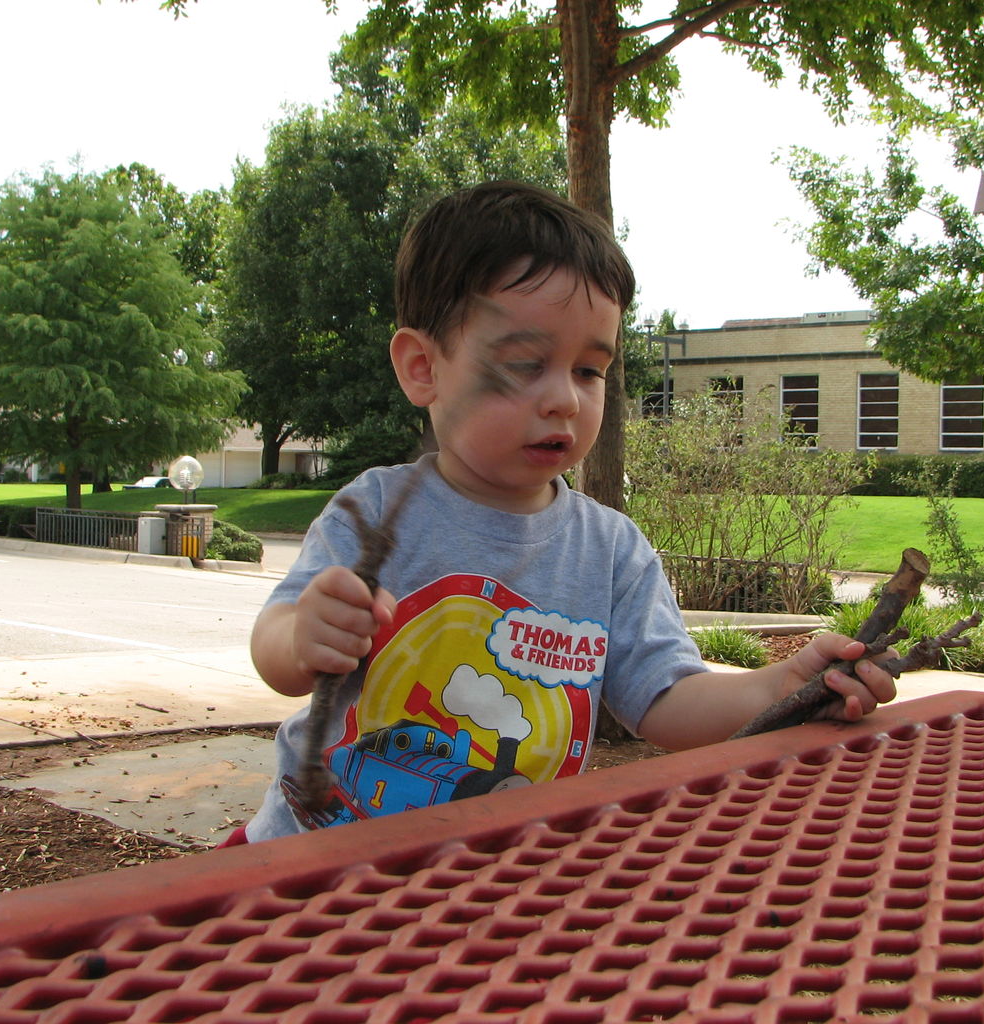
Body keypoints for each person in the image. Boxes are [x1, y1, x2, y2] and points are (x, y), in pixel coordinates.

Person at [234, 181, 896, 843]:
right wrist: (302, 637)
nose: (564, 400)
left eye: (588, 370)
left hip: (496, 880)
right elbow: (275, 646)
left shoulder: (610, 549)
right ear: (422, 368)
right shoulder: (376, 509)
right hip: (315, 863)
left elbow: (666, 700)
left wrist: (781, 686)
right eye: (524, 365)